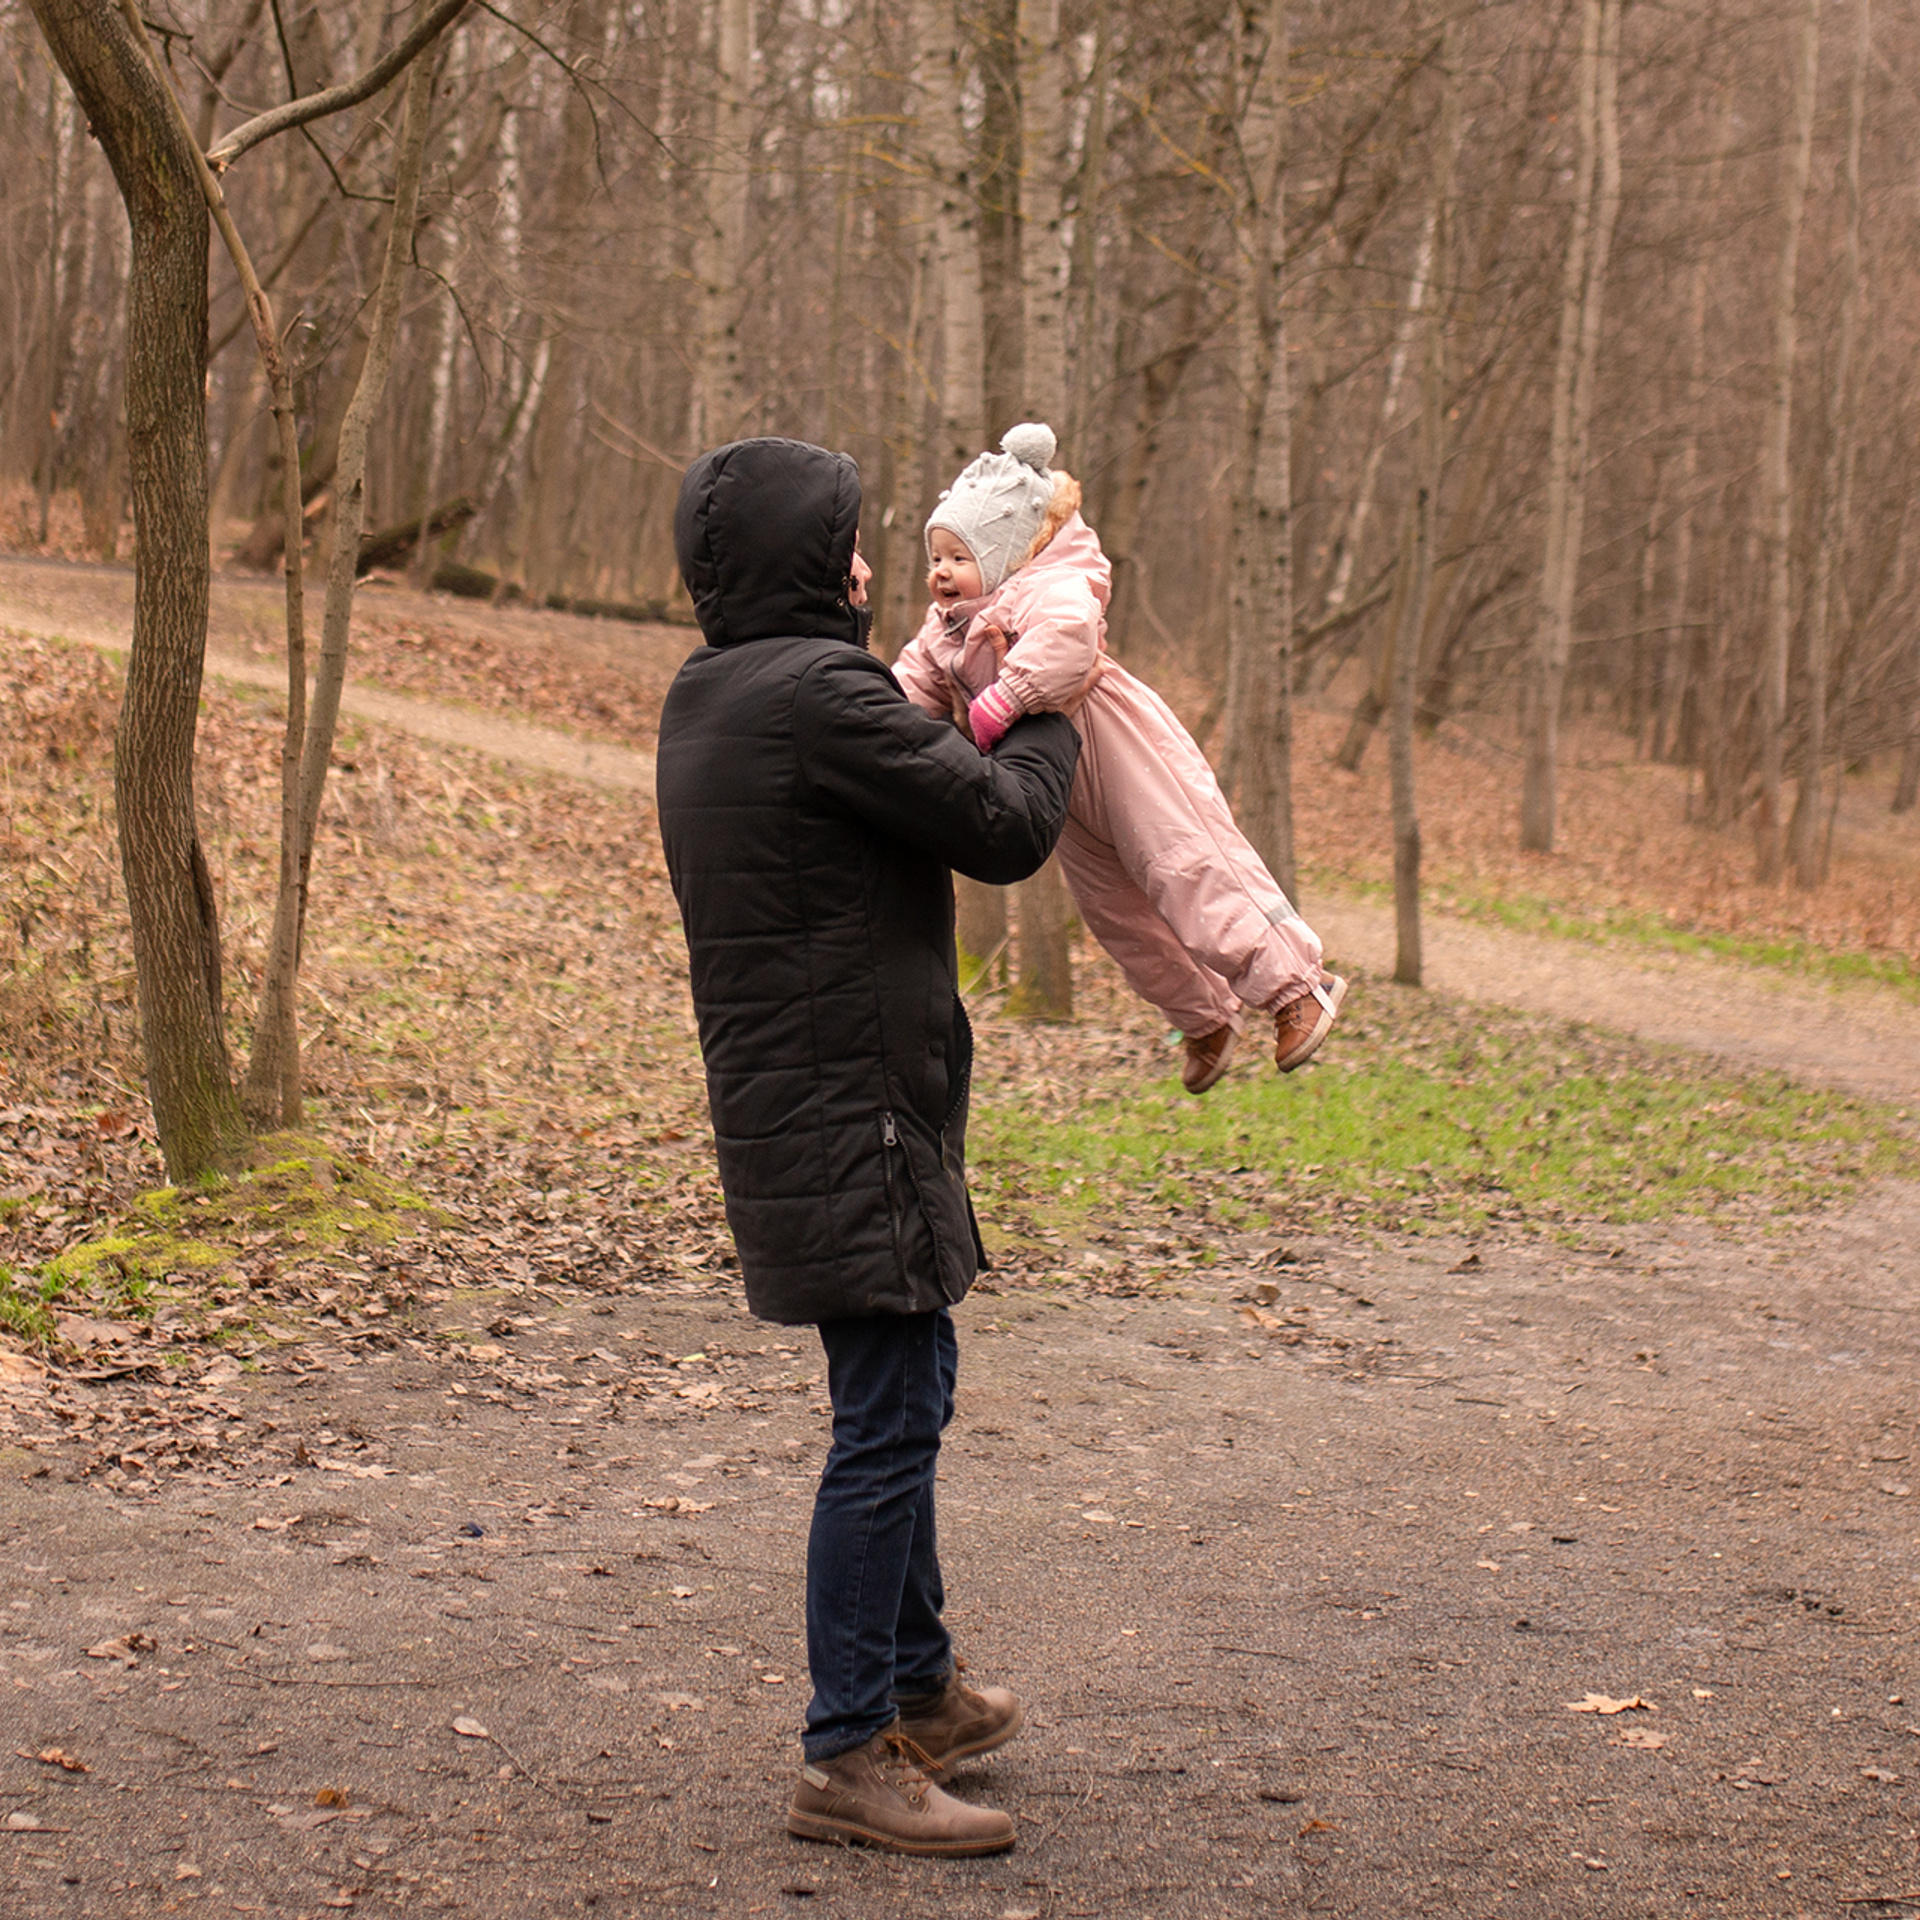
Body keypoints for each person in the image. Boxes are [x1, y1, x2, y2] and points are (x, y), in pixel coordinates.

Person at [655, 437, 1081, 1856]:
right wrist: (1053, 690)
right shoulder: (817, 698)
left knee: (906, 1381)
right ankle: (848, 1750)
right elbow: (1006, 825)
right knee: (888, 1417)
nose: (863, 567)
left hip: (816, 1106)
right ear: (797, 561)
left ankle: (919, 1689)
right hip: (853, 1114)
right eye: (841, 542)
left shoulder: (715, 691)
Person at [893, 423, 1345, 1095]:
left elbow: (1069, 637)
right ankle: (1203, 1017)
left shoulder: (1043, 587)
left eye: (959, 556)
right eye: (935, 557)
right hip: (1054, 780)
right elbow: (910, 687)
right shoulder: (944, 632)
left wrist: (1001, 702)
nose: (941, 572)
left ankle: (1298, 985)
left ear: (1002, 553)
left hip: (1115, 738)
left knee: (1185, 864)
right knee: (1112, 910)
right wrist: (878, 723)